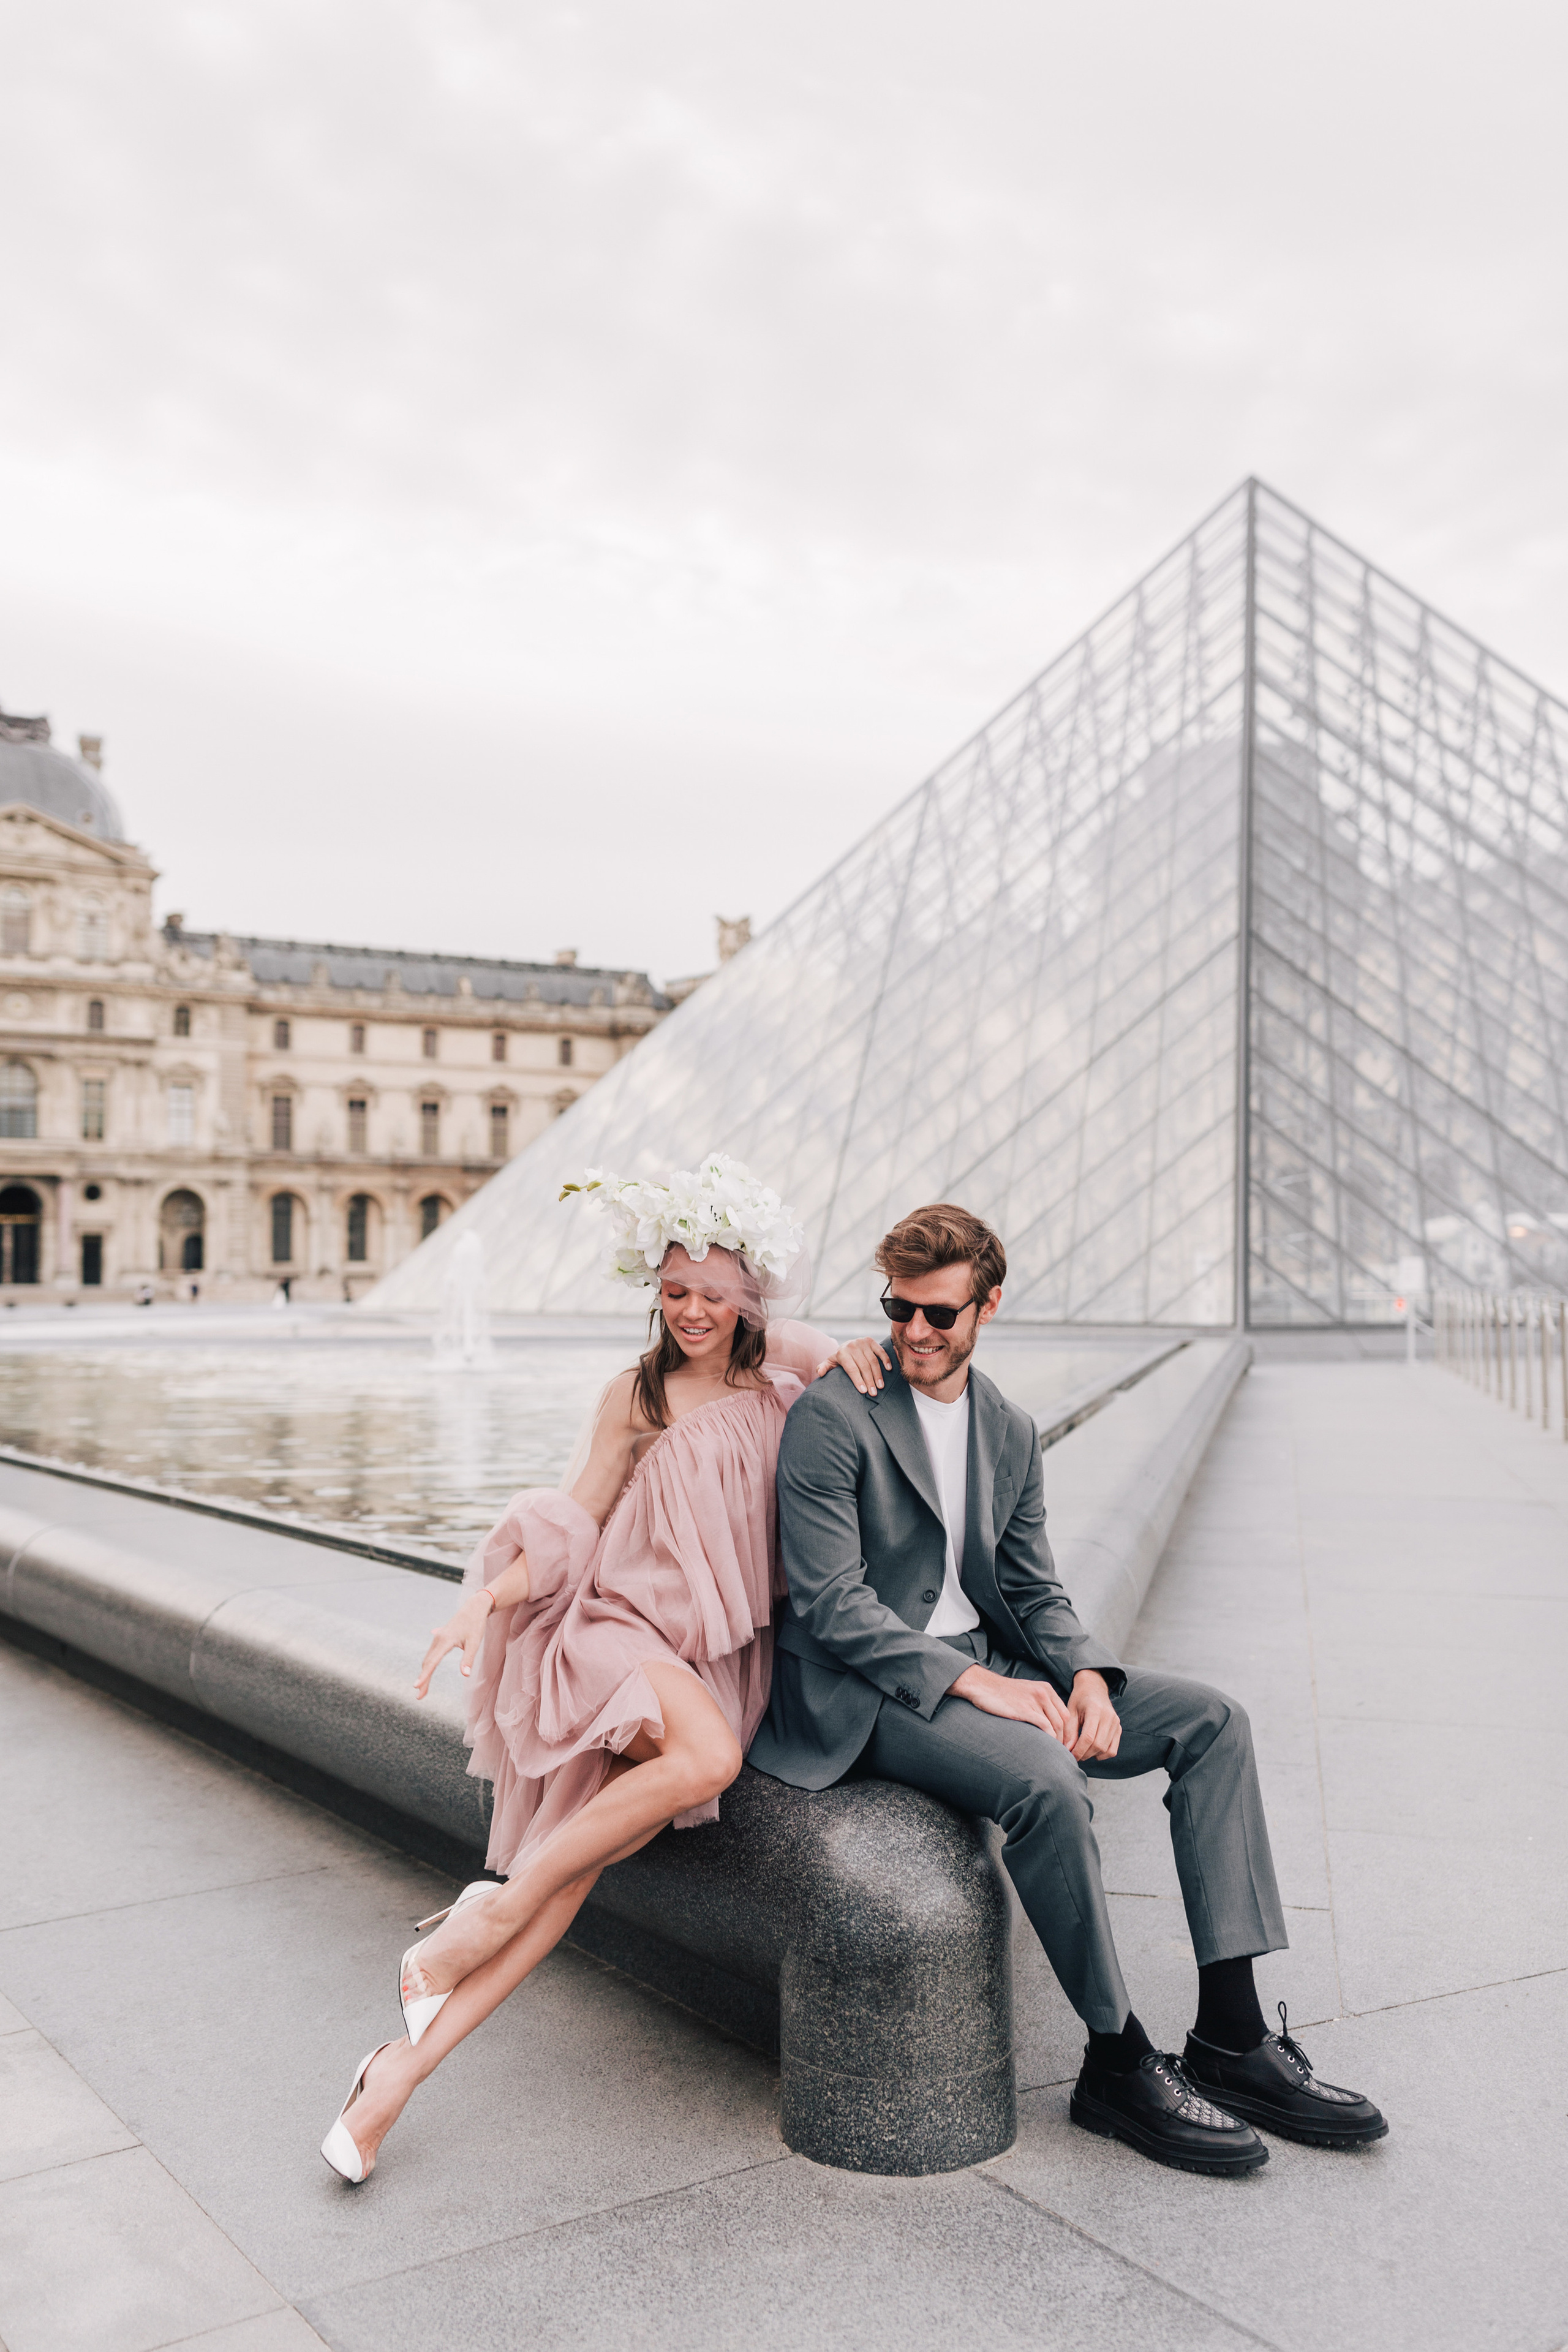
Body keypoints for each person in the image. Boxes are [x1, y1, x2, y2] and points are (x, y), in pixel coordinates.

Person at [749, 1202, 1386, 2177]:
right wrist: (978, 1684)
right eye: (897, 1309)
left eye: (938, 1315)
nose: (913, 1333)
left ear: (988, 1307)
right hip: (864, 1691)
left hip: (989, 1666)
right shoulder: (835, 1417)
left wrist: (1086, 1672)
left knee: (1214, 1723)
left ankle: (1232, 2034)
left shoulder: (1008, 1426)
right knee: (1046, 1780)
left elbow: (1036, 1587)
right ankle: (1118, 2060)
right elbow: (833, 1608)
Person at [320, 1155, 875, 2182]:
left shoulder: (785, 1372)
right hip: (619, 1632)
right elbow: (576, 1522)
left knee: (565, 1884)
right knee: (702, 1762)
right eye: (674, 1293)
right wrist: (483, 1599)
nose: (693, 1313)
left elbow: (856, 1363)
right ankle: (474, 1917)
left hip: (715, 1659)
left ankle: (392, 2077)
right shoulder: (637, 1393)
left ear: (749, 1296)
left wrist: (872, 1357)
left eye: (714, 1295)